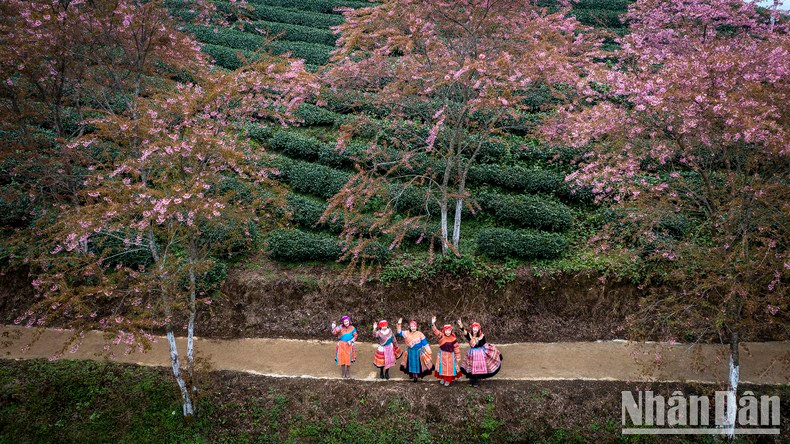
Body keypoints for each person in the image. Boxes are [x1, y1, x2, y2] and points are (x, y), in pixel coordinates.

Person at [457, 318, 502, 387]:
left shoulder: (482, 336)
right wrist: (460, 324)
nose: (475, 329)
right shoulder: (470, 335)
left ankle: (476, 380)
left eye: (476, 328)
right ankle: (472, 379)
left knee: (477, 366)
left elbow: (483, 344)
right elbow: (464, 331)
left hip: (479, 353)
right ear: (472, 329)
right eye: (474, 328)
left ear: (479, 329)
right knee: (471, 366)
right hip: (471, 353)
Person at [396, 318, 433, 382]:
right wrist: (399, 323)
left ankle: (416, 376)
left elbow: (425, 343)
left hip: (418, 351)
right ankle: (411, 374)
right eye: (412, 326)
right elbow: (399, 332)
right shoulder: (406, 333)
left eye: (414, 326)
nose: (413, 328)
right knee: (410, 363)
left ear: (416, 327)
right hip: (410, 351)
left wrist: (428, 351)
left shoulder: (420, 334)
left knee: (417, 363)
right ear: (410, 327)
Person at [430, 315, 462, 386]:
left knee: (449, 368)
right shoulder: (442, 336)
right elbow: (436, 331)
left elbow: (456, 348)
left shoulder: (453, 338)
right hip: (442, 354)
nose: (447, 332)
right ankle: (443, 378)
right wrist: (433, 324)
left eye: (449, 331)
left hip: (450, 356)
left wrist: (458, 357)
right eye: (446, 330)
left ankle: (448, 380)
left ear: (451, 331)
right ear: (444, 331)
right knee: (442, 367)